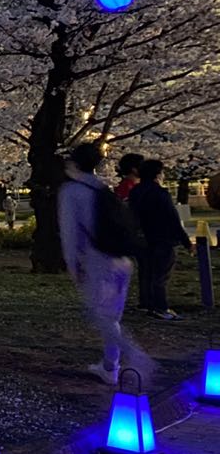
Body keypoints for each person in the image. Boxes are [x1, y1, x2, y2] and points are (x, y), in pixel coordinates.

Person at [58, 143, 151, 385]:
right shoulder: (101, 188)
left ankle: (136, 357)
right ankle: (110, 366)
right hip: (121, 260)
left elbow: (70, 234)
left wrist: (73, 266)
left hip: (97, 261)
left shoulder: (71, 191)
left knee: (100, 316)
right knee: (111, 317)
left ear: (74, 163)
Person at [127, 159, 191, 320]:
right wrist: (186, 241)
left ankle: (147, 303)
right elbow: (172, 218)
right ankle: (160, 307)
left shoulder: (135, 192)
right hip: (163, 239)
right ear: (157, 174)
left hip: (143, 239)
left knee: (147, 273)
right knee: (161, 275)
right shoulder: (160, 193)